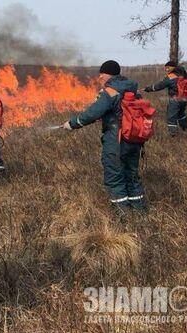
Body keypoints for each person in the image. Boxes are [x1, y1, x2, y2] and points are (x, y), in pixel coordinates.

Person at [62, 60, 148, 217]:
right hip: (135, 139)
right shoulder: (134, 91)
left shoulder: (110, 92)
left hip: (116, 139)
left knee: (114, 176)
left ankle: (124, 217)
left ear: (105, 74)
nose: (99, 79)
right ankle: (140, 213)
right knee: (131, 175)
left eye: (100, 75)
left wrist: (72, 124)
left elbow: (92, 113)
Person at [143, 61, 187, 136]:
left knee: (171, 118)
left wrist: (148, 89)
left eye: (168, 67)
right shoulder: (184, 73)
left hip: (175, 100)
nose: (166, 69)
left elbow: (159, 86)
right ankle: (185, 129)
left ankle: (173, 136)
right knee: (181, 114)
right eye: (165, 68)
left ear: (173, 67)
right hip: (185, 99)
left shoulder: (171, 76)